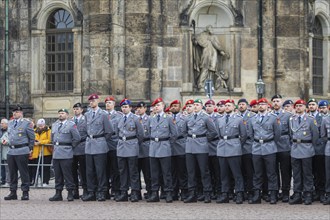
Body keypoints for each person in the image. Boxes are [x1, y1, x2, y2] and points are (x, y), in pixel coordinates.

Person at [183, 99, 218, 203]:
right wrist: (190, 139)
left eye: (197, 105)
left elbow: (213, 132)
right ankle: (192, 193)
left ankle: (207, 193)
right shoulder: (187, 117)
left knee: (204, 171)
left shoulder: (206, 118)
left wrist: (204, 139)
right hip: (190, 146)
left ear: (201, 106)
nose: (195, 106)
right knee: (191, 172)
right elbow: (184, 131)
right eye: (194, 105)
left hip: (202, 146)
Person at [248, 98, 281, 204]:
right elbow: (250, 133)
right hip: (257, 147)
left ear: (268, 106)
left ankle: (273, 195)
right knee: (257, 173)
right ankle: (257, 195)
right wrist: (257, 141)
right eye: (259, 104)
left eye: (263, 104)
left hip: (269, 147)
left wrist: (269, 141)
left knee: (271, 173)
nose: (261, 106)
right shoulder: (252, 118)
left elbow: (278, 133)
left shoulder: (273, 118)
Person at [82, 94, 113, 202]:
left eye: (93, 100)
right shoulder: (87, 115)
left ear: (98, 101)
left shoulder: (103, 114)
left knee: (101, 170)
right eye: (90, 101)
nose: (91, 102)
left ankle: (102, 192)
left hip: (100, 144)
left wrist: (102, 140)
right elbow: (85, 129)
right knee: (89, 171)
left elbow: (109, 131)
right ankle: (91, 192)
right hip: (89, 144)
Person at [215, 99, 247, 204]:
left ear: (234, 107)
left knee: (236, 173)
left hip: (234, 147)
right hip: (222, 147)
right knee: (223, 174)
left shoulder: (239, 119)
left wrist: (237, 144)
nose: (227, 107)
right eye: (226, 105)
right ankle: (225, 194)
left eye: (229, 105)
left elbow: (243, 136)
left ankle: (239, 193)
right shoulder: (220, 119)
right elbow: (218, 133)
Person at [147, 98, 178, 203]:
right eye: (155, 105)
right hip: (153, 148)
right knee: (154, 173)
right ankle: (154, 193)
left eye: (158, 105)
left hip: (164, 147)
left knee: (166, 172)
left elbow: (174, 134)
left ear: (163, 106)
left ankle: (168, 192)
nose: (156, 107)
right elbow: (147, 132)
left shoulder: (168, 118)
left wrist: (168, 144)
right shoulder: (151, 118)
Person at [289, 99, 319, 205]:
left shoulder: (311, 119)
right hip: (295, 149)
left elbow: (315, 135)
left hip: (306, 148)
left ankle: (308, 194)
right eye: (297, 106)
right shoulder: (291, 119)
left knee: (307, 174)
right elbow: (290, 134)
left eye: (301, 106)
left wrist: (310, 145)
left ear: (305, 108)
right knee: (296, 174)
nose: (298, 108)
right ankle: (297, 193)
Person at [4, 105, 35, 201]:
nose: (15, 113)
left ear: (21, 113)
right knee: (12, 173)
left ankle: (25, 192)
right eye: (14, 112)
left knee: (23, 172)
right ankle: (13, 192)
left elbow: (32, 137)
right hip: (11, 151)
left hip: (22, 150)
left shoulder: (26, 123)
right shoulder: (10, 123)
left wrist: (29, 148)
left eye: (17, 112)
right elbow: (9, 135)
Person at [115, 99, 144, 202]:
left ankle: (135, 192)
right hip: (121, 146)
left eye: (126, 107)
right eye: (122, 107)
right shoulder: (119, 119)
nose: (124, 109)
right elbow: (116, 132)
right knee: (122, 171)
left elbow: (141, 134)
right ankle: (123, 191)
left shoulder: (135, 118)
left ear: (130, 108)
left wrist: (135, 143)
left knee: (133, 171)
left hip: (132, 145)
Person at [49, 109, 81, 202]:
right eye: (59, 113)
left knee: (68, 174)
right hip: (56, 152)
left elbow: (77, 138)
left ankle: (70, 193)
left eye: (62, 113)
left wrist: (71, 147)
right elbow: (52, 138)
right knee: (57, 175)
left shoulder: (71, 125)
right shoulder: (55, 125)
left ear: (67, 115)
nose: (60, 115)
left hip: (66, 152)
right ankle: (58, 193)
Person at [192, 25, 229, 89]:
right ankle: (200, 83)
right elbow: (197, 41)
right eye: (210, 29)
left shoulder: (214, 37)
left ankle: (210, 85)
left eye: (212, 28)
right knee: (205, 68)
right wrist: (195, 40)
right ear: (207, 30)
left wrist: (222, 51)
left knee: (212, 70)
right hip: (206, 54)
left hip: (214, 54)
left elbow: (217, 45)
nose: (211, 30)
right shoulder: (203, 35)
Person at [271, 95, 292, 203]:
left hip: (284, 145)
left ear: (281, 102)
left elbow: (291, 132)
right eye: (274, 101)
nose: (275, 103)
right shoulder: (269, 115)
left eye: (277, 101)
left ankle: (285, 192)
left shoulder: (288, 115)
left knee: (285, 171)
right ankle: (275, 191)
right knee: (273, 171)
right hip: (272, 145)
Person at [307, 98, 326, 202]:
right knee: (311, 171)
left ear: (317, 107)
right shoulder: (305, 118)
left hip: (319, 149)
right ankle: (314, 191)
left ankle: (321, 192)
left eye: (313, 104)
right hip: (308, 148)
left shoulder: (322, 118)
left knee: (320, 171)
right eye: (309, 104)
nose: (311, 106)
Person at [170, 100, 188, 201]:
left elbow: (186, 132)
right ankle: (174, 191)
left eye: (176, 106)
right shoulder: (168, 118)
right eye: (172, 106)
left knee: (182, 171)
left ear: (180, 107)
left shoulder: (184, 118)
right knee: (172, 172)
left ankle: (184, 191)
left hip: (181, 146)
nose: (173, 108)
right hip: (171, 147)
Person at [237, 98, 256, 200]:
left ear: (247, 106)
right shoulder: (235, 116)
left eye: (243, 104)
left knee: (249, 171)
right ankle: (242, 191)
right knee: (240, 171)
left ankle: (251, 191)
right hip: (237, 146)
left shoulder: (252, 116)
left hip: (248, 145)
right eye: (239, 104)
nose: (241, 106)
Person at [104, 96, 121, 200]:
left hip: (114, 144)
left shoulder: (118, 115)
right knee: (104, 169)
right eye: (106, 103)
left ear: (114, 104)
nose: (107, 104)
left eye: (110, 102)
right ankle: (105, 190)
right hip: (103, 145)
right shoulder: (102, 115)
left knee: (115, 169)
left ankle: (116, 189)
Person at [204, 99, 221, 200]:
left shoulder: (218, 118)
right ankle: (210, 191)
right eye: (206, 106)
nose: (208, 107)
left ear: (214, 107)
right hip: (205, 147)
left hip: (215, 146)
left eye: (210, 106)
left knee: (217, 171)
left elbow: (217, 132)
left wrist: (206, 138)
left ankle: (218, 191)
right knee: (208, 171)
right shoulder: (203, 117)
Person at [135, 101, 152, 200]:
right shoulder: (134, 119)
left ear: (145, 109)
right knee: (136, 172)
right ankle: (137, 192)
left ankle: (149, 191)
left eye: (141, 108)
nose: (139, 109)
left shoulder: (149, 119)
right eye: (137, 108)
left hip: (146, 147)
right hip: (136, 148)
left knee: (147, 172)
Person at [71, 103, 88, 199]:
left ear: (81, 110)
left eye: (77, 109)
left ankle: (85, 190)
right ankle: (75, 190)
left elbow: (87, 132)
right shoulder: (71, 121)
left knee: (83, 171)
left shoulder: (85, 120)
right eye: (74, 109)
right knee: (73, 171)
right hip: (73, 149)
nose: (76, 110)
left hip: (82, 147)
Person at [29, 119, 52, 187]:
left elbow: (49, 140)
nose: (40, 127)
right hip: (36, 152)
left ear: (44, 125)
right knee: (36, 168)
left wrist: (40, 142)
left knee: (45, 168)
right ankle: (35, 181)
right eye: (39, 125)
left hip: (46, 152)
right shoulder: (34, 131)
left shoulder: (48, 131)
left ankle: (45, 181)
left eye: (41, 125)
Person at [320, 108, 330, 205]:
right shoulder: (325, 119)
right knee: (328, 173)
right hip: (329, 149)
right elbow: (323, 135)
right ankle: (329, 194)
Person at [0, 119, 10, 186]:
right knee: (2, 167)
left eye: (2, 123)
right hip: (2, 152)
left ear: (6, 124)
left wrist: (6, 142)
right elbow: (1, 139)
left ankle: (8, 181)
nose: (1, 124)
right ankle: (2, 180)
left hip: (8, 152)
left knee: (8, 168)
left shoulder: (10, 131)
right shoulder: (1, 131)